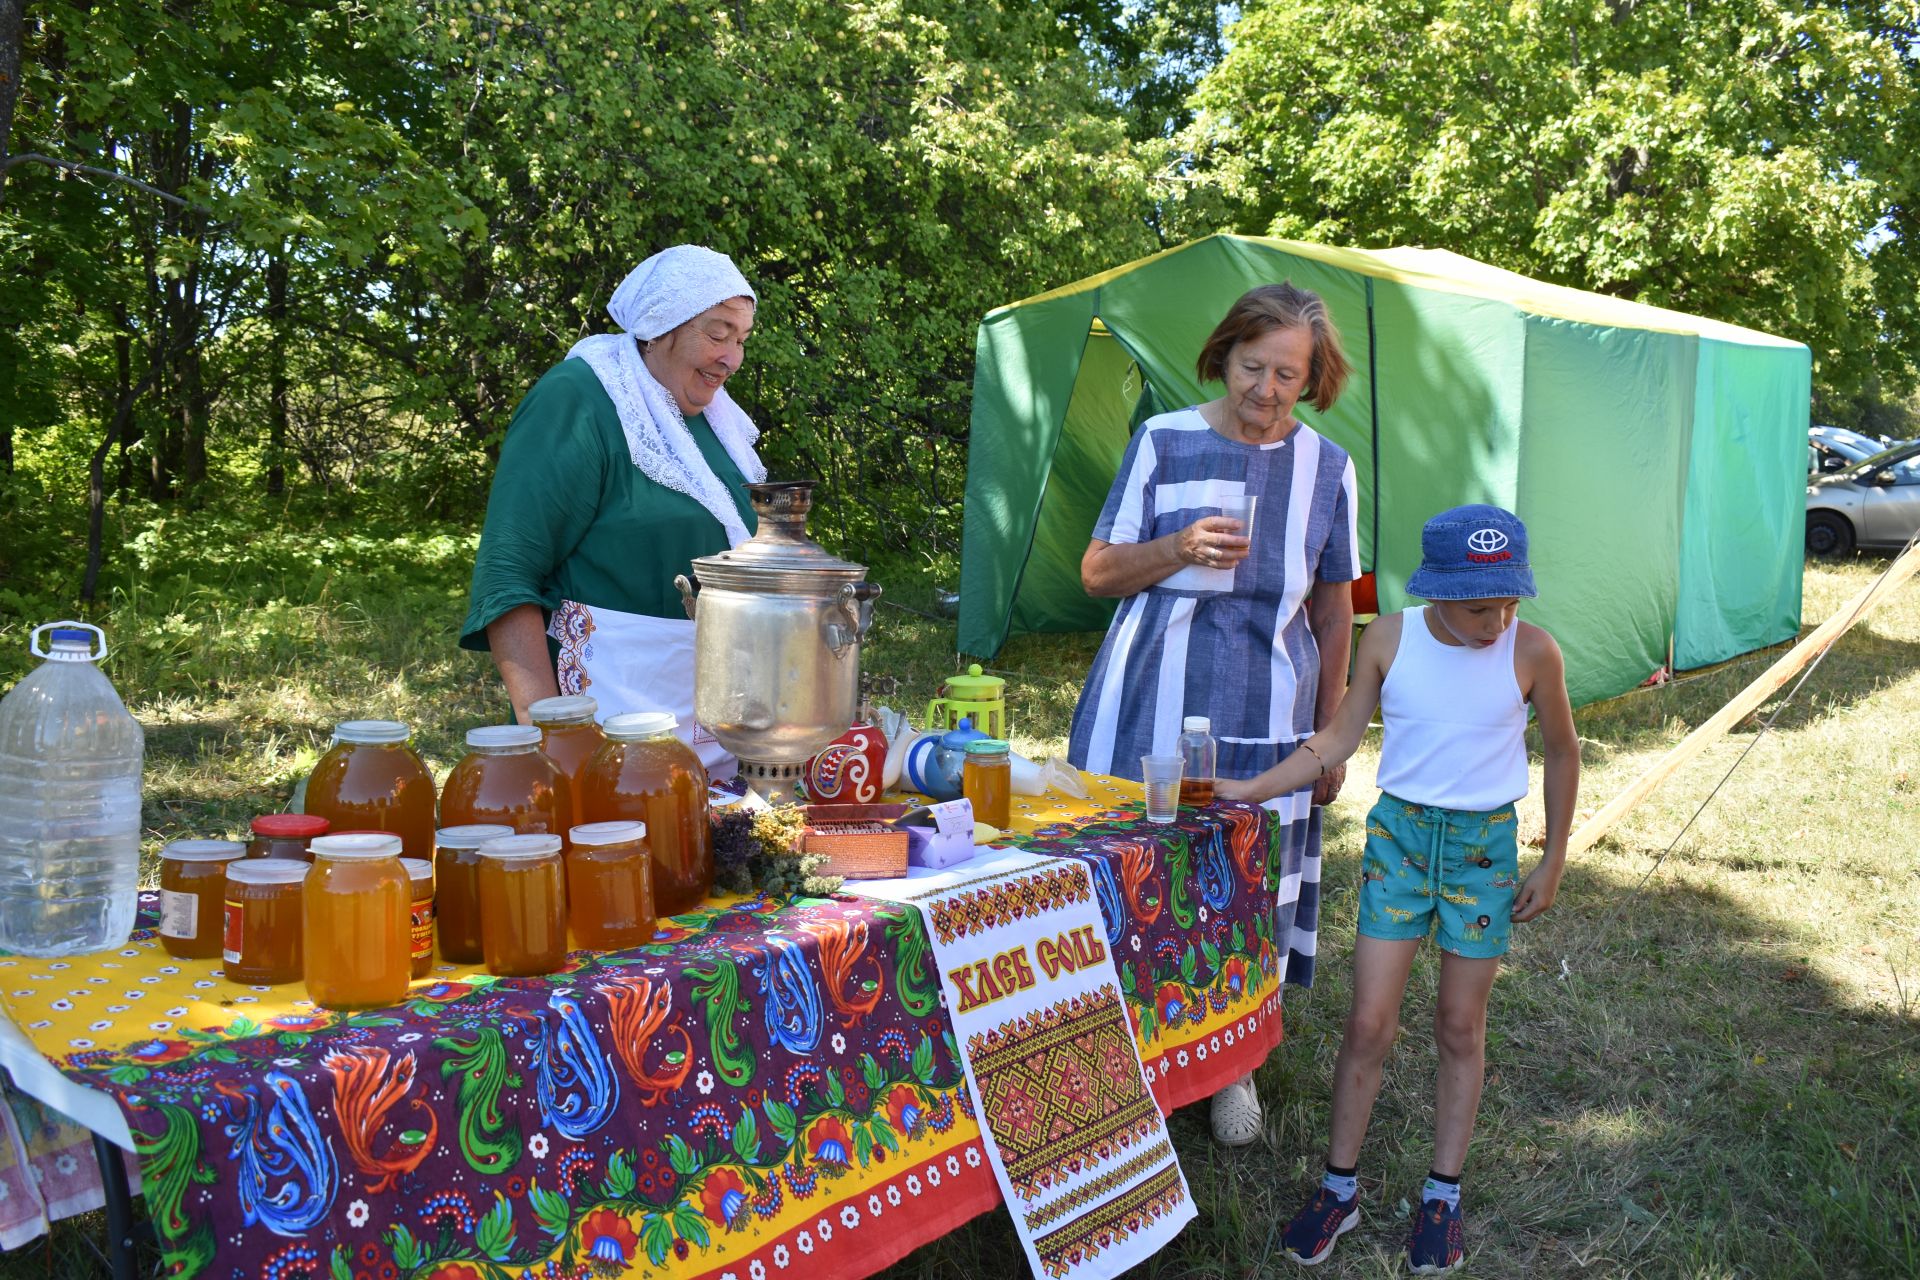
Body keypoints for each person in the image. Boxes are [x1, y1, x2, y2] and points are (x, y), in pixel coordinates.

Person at [1215, 504, 1578, 1274]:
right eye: (1483, 604)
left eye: (1511, 600)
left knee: (1458, 1025)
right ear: (1438, 590)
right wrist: (1250, 789)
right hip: (1400, 843)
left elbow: (1562, 752)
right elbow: (1338, 739)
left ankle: (1441, 1197)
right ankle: (1337, 1190)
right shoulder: (1392, 637)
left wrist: (1553, 859)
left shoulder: (1534, 651)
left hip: (1482, 849)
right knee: (1369, 1023)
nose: (1499, 618)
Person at [1066, 282, 1361, 1146]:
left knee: (1246, 882)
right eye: (1251, 366)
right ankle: (1122, 1056)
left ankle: (1232, 1067)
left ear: (1312, 380)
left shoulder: (1327, 468)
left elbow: (1337, 608)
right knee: (1131, 875)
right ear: (1222, 355)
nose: (1265, 391)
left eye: (1287, 375)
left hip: (1271, 705)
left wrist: (1331, 729)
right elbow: (1095, 572)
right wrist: (1177, 547)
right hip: (1146, 700)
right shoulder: (1162, 441)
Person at [460, 245, 764, 773]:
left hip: (714, 732)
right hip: (605, 729)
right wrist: (550, 745)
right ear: (660, 324)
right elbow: (507, 577)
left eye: (740, 340)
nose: (731, 357)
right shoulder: (579, 400)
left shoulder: (719, 426)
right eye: (717, 333)